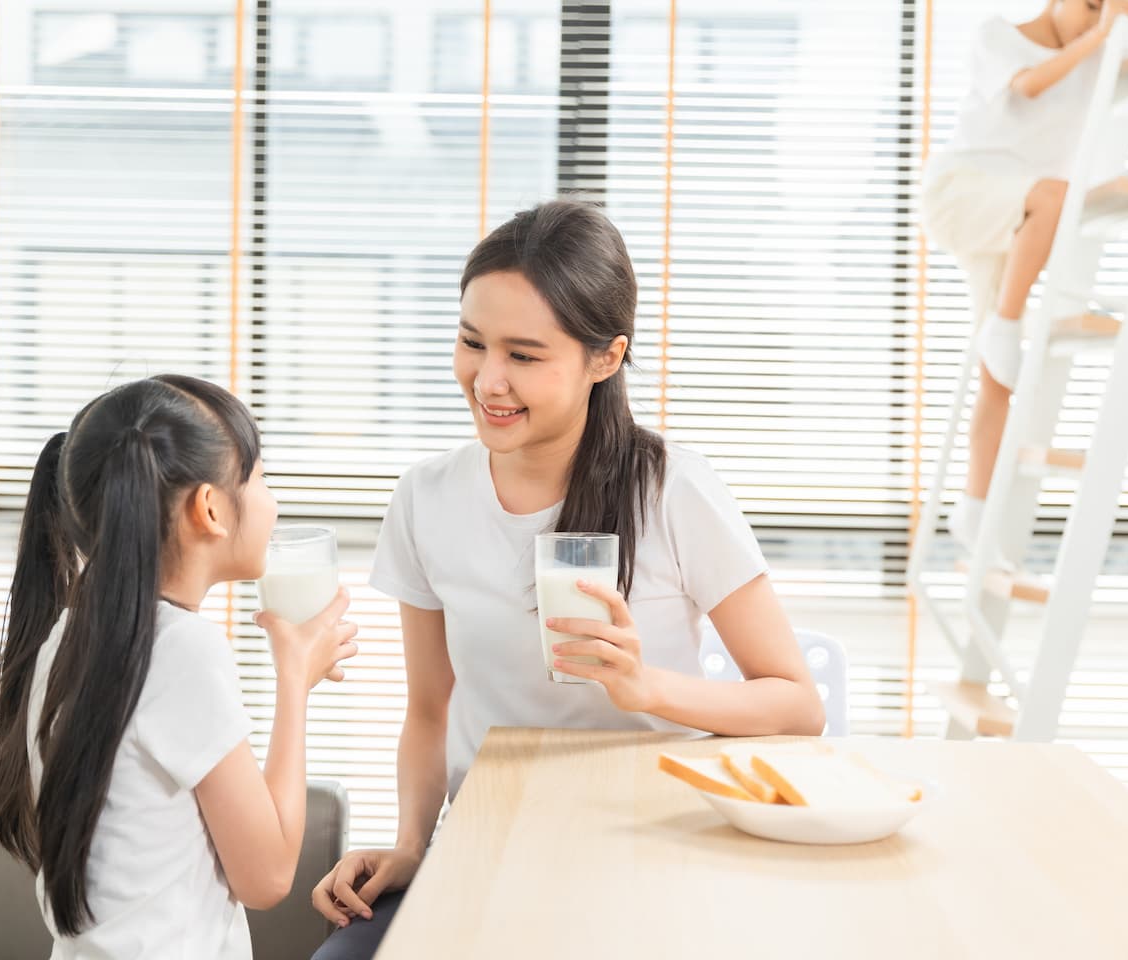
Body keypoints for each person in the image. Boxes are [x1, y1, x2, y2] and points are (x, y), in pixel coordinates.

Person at [308, 201, 825, 960]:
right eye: (471, 342)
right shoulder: (427, 497)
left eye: (524, 354)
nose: (488, 379)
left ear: (605, 358)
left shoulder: (671, 489)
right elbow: (429, 709)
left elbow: (797, 703)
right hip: (494, 841)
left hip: (656, 846)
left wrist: (646, 688)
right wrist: (412, 844)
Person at [0, 374, 359, 958]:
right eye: (259, 478)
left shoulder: (67, 636)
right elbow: (267, 877)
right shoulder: (183, 649)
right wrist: (295, 679)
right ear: (209, 508)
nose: (273, 500)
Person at [923, 0, 1128, 551]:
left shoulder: (1093, 54)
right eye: (1090, 5)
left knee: (997, 380)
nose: (1095, 16)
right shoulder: (999, 36)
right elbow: (1029, 86)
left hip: (1020, 220)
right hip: (965, 194)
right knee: (1057, 194)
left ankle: (973, 512)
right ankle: (1005, 323)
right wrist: (1104, 33)